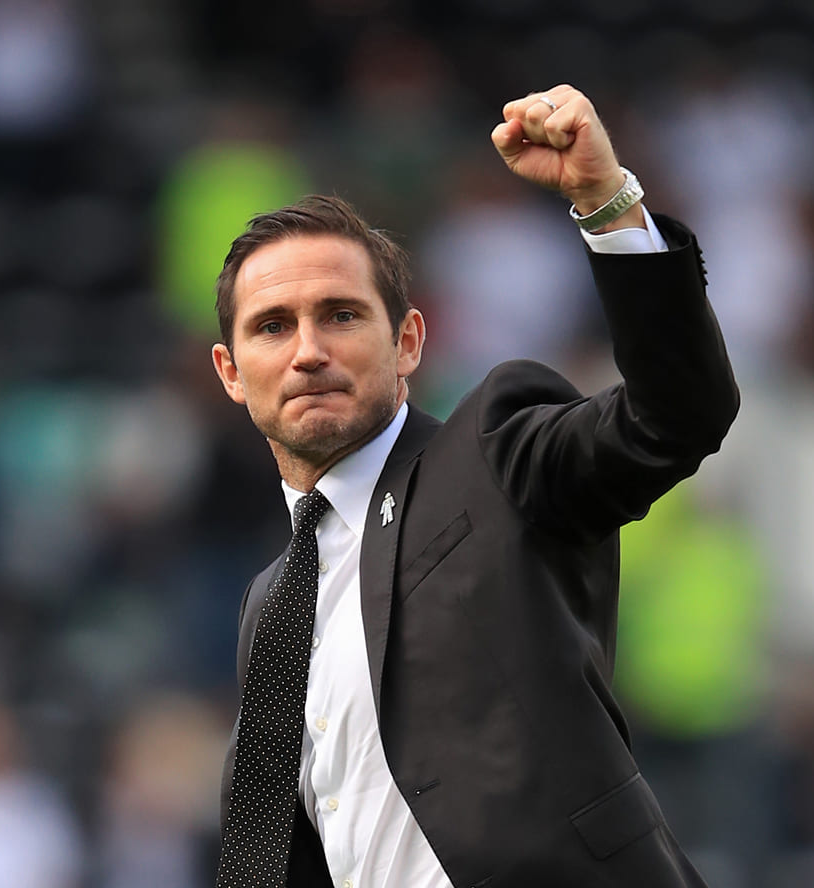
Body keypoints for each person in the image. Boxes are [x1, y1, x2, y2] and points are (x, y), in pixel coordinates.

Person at [209, 84, 739, 888]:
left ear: (408, 342)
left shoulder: (493, 451)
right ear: (231, 372)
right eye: (273, 326)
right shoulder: (270, 608)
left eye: (342, 315)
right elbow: (263, 866)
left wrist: (607, 204)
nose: (308, 351)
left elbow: (677, 415)